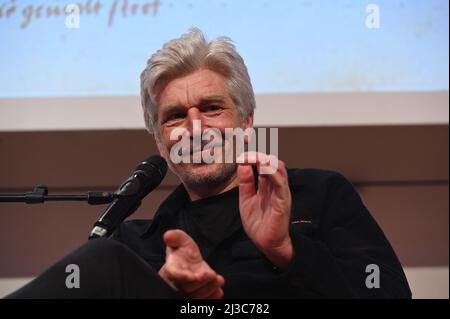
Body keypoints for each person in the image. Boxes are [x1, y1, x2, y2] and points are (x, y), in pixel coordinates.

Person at [7, 28, 411, 299]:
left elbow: (388, 294)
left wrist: (287, 250)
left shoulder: (319, 195)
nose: (195, 128)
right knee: (103, 259)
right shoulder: (136, 244)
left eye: (212, 108)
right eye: (175, 116)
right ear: (161, 142)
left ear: (246, 121)